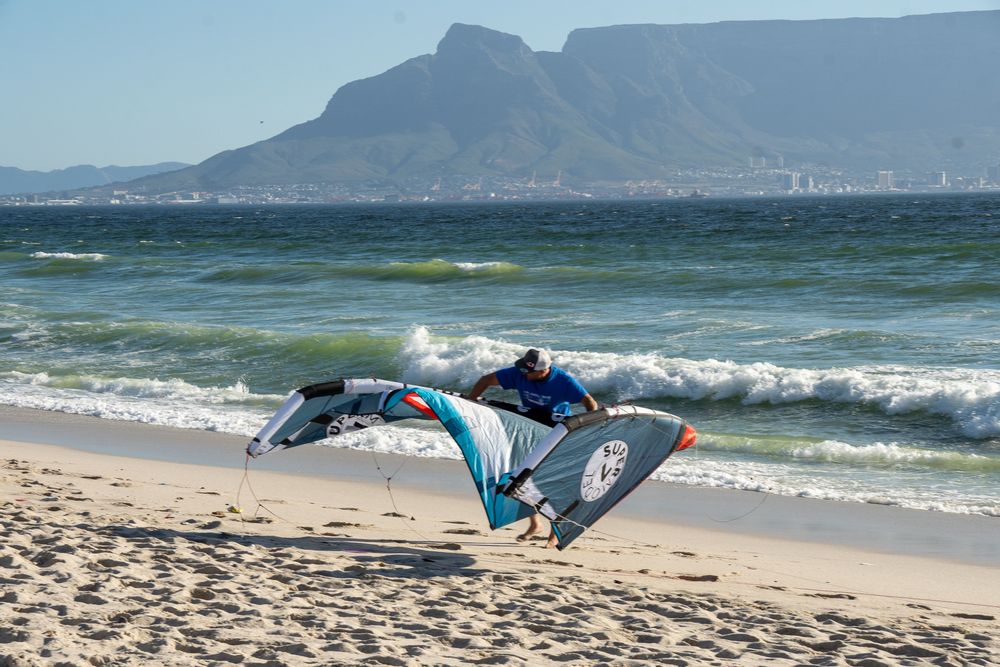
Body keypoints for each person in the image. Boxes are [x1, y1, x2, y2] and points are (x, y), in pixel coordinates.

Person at [467, 348, 598, 547]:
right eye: (523, 370)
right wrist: (471, 402)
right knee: (519, 478)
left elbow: (590, 402)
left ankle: (556, 530)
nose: (523, 375)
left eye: (529, 372)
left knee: (552, 482)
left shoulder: (563, 381)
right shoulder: (518, 373)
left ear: (543, 370)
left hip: (554, 434)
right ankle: (535, 524)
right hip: (527, 430)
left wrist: (590, 427)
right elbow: (485, 380)